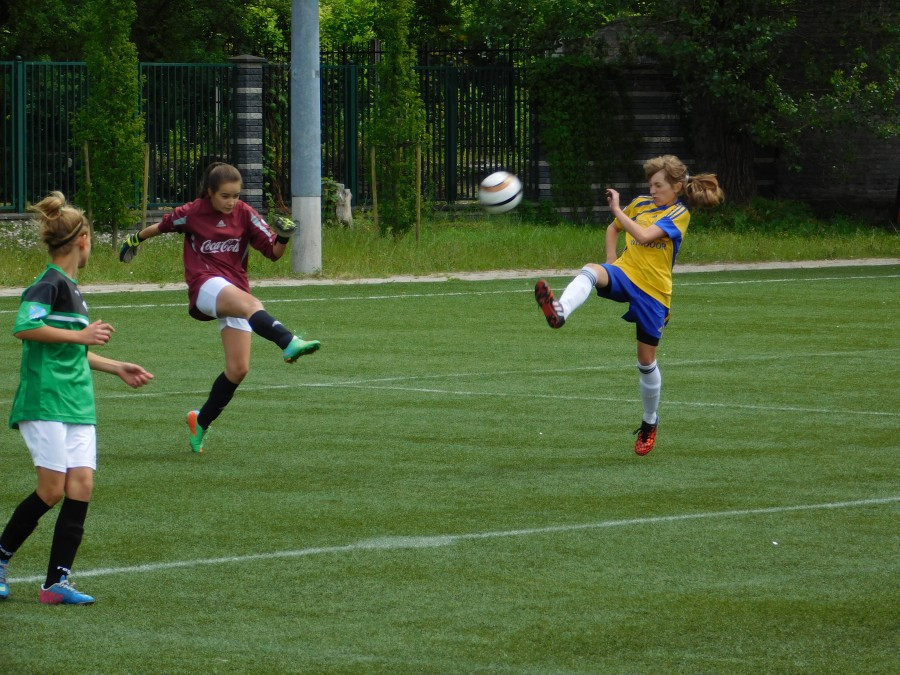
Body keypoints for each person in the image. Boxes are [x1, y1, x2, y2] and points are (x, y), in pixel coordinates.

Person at [0, 192, 154, 605]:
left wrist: (116, 366)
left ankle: (56, 583)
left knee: (81, 485)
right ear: (82, 239)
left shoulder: (72, 289)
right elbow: (24, 327)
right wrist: (82, 335)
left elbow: (72, 349)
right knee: (51, 489)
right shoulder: (48, 283)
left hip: (77, 402)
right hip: (46, 399)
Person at [118, 162, 320, 453]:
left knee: (238, 369)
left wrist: (284, 237)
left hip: (234, 291)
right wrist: (134, 239)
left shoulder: (245, 214)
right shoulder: (192, 212)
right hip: (204, 285)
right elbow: (161, 226)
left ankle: (200, 421)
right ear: (210, 192)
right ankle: (288, 341)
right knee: (252, 304)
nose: (231, 201)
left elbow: (273, 252)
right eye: (225, 195)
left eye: (236, 195)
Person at [534, 155, 723, 456]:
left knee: (646, 362)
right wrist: (612, 262)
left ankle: (650, 421)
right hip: (625, 274)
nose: (652, 190)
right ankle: (560, 312)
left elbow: (644, 236)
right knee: (591, 270)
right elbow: (614, 229)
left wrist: (617, 210)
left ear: (676, 187)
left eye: (658, 185)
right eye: (651, 185)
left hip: (654, 293)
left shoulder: (679, 213)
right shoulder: (640, 204)